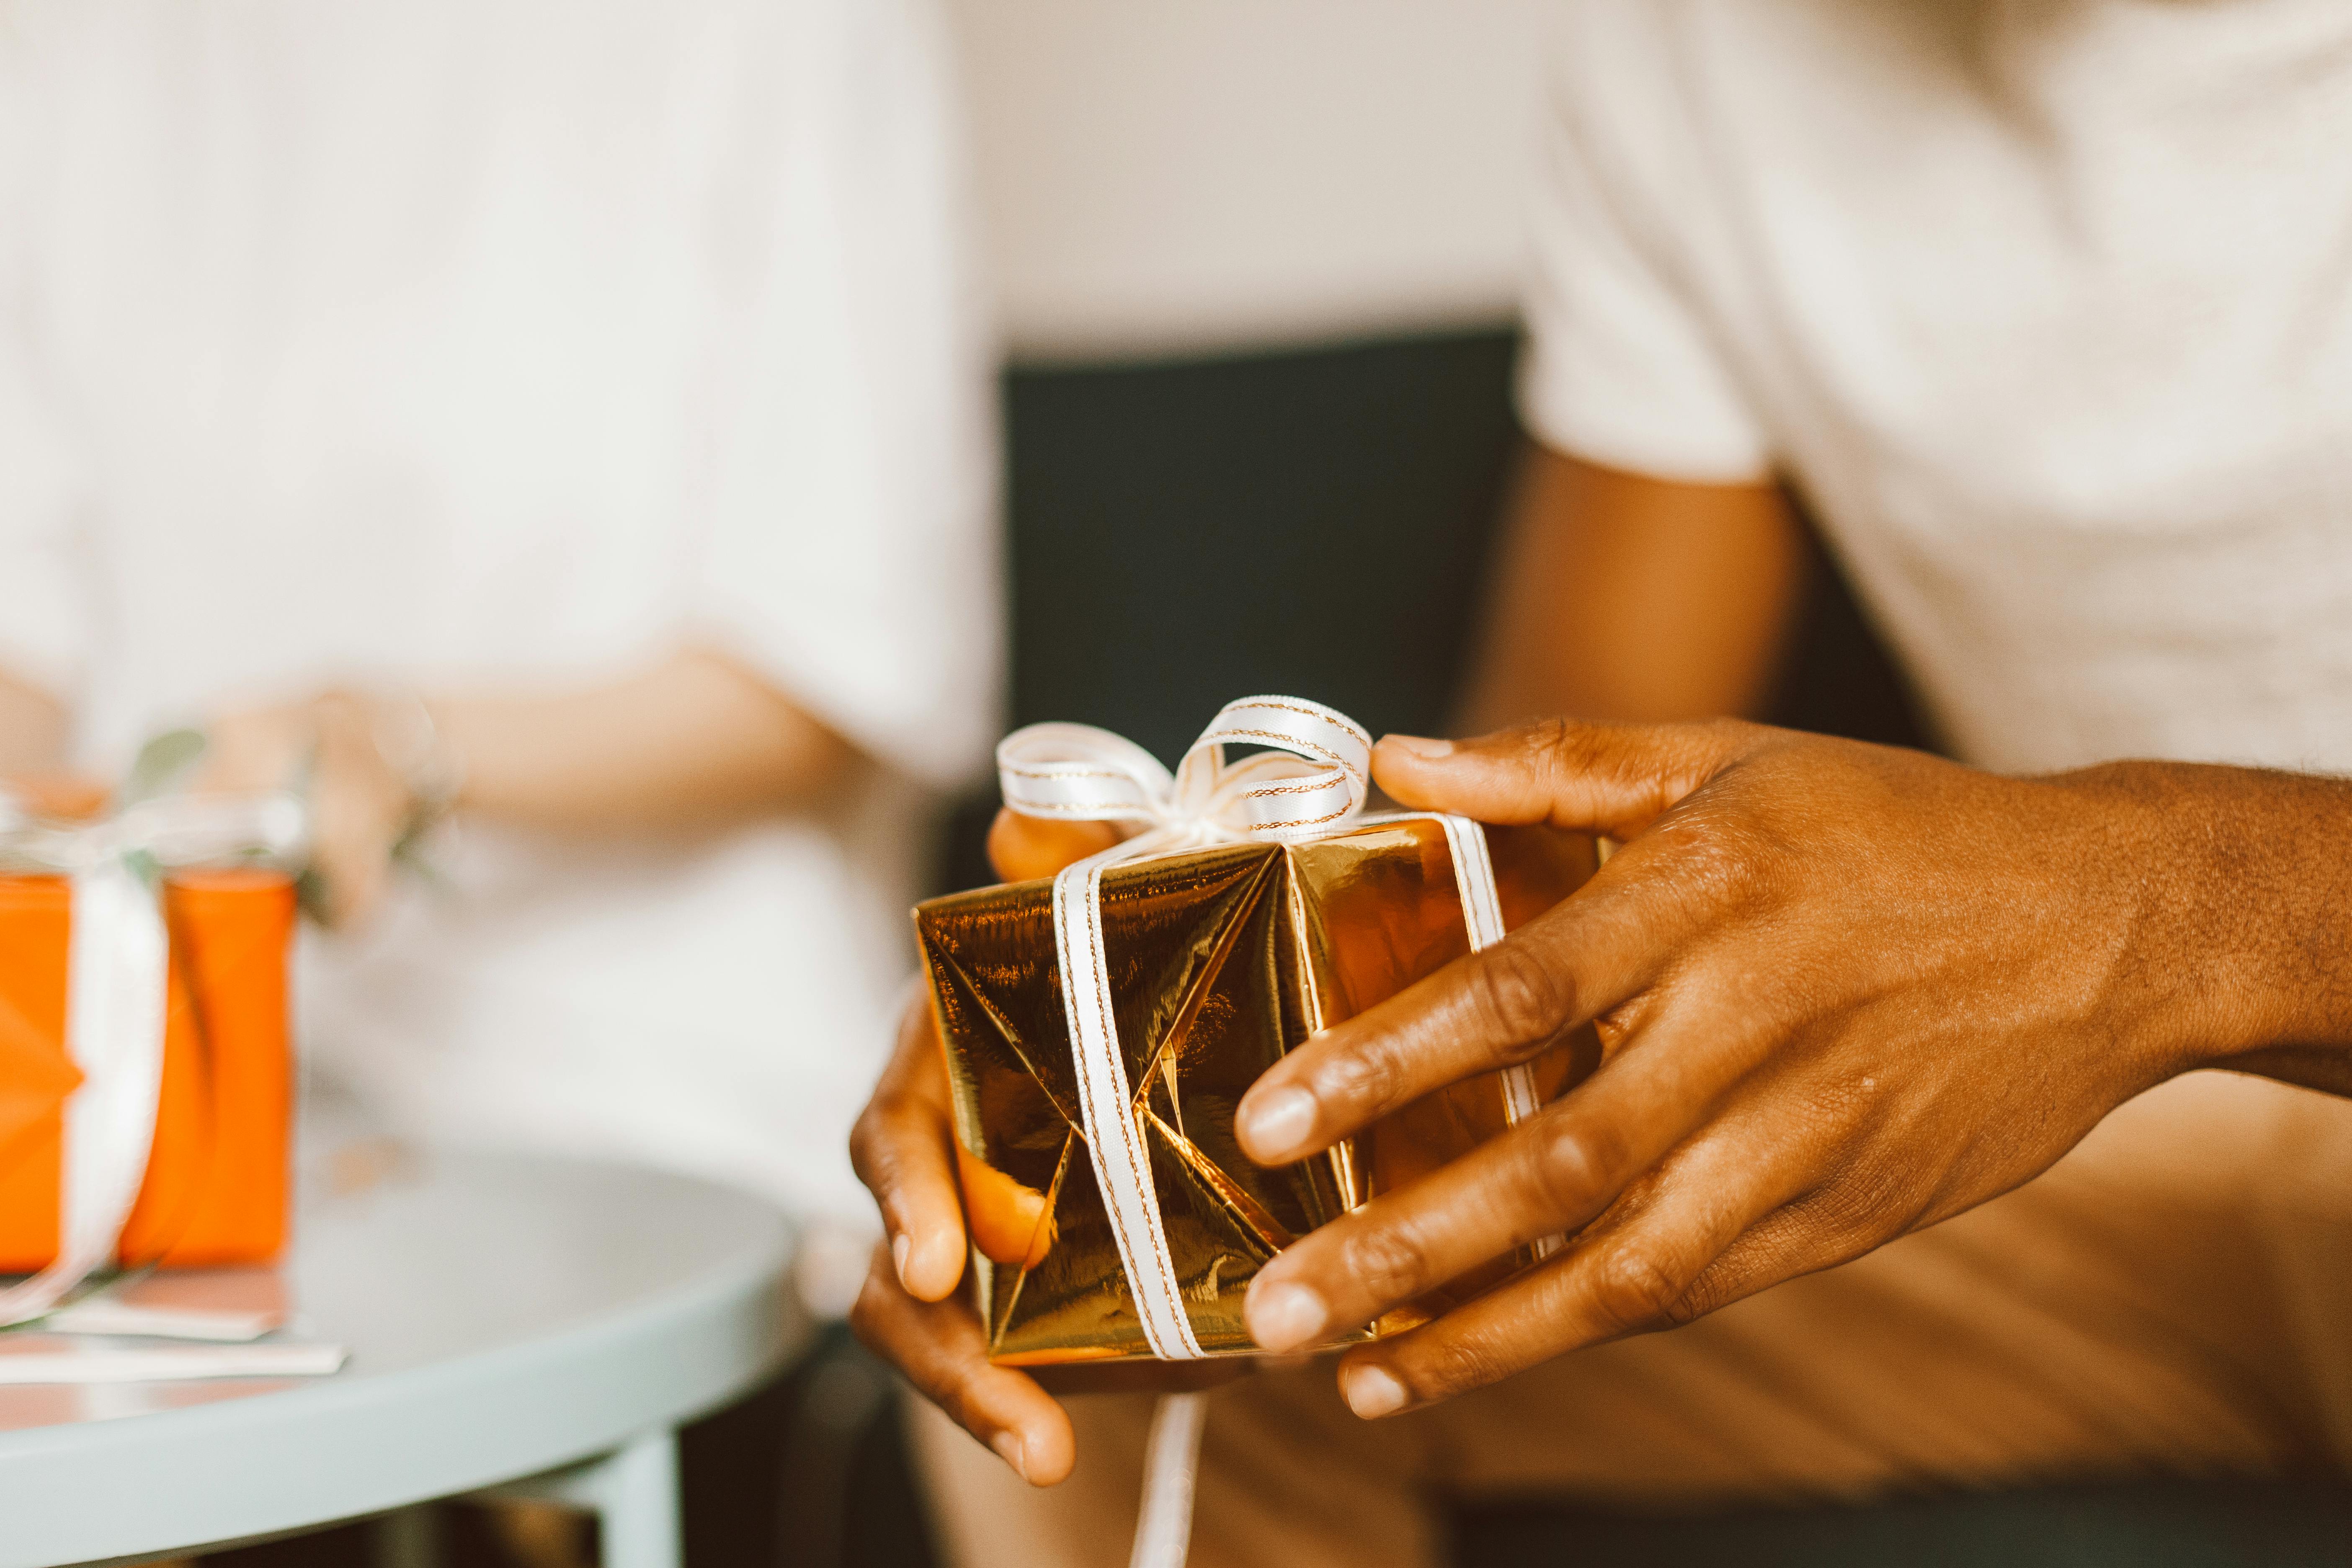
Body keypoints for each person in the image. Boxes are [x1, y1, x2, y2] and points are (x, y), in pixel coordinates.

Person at [847, 2, 2352, 1564]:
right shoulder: (1703, 50)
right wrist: (1114, 1042)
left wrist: (2158, 907)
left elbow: (2131, 922)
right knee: (1148, 1319)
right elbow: (1547, 874)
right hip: (2162, 1145)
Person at [0, 0, 995, 1257]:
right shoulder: (64, 40)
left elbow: (838, 671)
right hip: (152, 1116)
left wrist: (398, 746)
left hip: (646, 1104)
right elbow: (26, 630)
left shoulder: (779, 33)